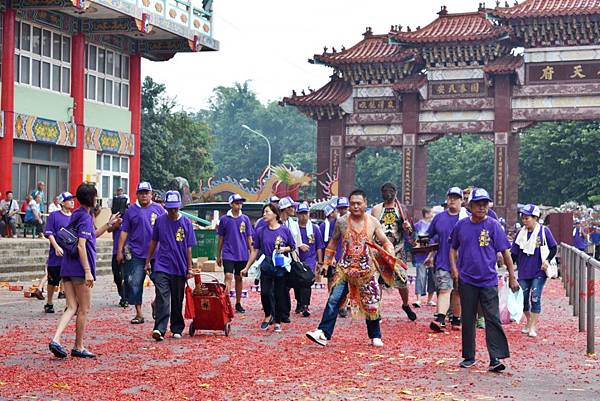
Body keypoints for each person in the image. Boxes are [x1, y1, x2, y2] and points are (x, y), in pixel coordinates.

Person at [306, 190, 399, 347]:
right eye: (353, 203)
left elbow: (384, 240)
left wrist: (390, 253)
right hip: (344, 270)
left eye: (359, 203)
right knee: (334, 300)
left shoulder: (373, 222)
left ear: (365, 204)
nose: (355, 206)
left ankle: (375, 336)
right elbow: (333, 243)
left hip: (366, 270)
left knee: (371, 303)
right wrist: (326, 263)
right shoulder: (341, 222)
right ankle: (323, 332)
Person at [449, 187, 519, 372]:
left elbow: (505, 252)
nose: (482, 207)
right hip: (467, 280)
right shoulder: (461, 225)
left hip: (488, 279)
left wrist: (512, 276)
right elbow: (453, 248)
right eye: (478, 204)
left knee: (492, 318)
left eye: (485, 204)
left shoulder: (494, 225)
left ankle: (495, 358)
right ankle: (469, 356)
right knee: (468, 318)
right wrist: (454, 270)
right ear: (470, 205)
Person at [48, 183, 120, 358]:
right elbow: (81, 246)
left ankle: (56, 339)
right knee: (84, 308)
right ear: (92, 199)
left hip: (67, 267)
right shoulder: (86, 218)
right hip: (80, 269)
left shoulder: (76, 215)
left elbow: (90, 236)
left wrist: (108, 225)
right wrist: (88, 271)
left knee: (72, 306)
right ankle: (78, 346)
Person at [146, 191, 196, 341]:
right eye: (170, 208)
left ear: (179, 207)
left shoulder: (186, 223)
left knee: (177, 299)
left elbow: (189, 248)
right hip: (162, 265)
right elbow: (154, 242)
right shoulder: (160, 221)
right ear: (166, 207)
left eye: (175, 208)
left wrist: (189, 268)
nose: (173, 211)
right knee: (163, 297)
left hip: (179, 267)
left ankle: (177, 327)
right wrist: (148, 261)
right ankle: (159, 329)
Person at [241, 204, 295, 333]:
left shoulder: (284, 230)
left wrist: (283, 249)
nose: (264, 215)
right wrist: (246, 267)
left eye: (267, 212)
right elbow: (255, 250)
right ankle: (267, 314)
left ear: (275, 214)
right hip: (266, 265)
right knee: (265, 292)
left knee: (278, 294)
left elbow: (292, 246)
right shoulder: (260, 231)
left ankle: (277, 321)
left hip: (280, 266)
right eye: (264, 212)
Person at [117, 182, 165, 324]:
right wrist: (119, 251)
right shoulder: (131, 211)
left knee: (161, 283)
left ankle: (157, 303)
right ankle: (139, 313)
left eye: (146, 193)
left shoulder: (159, 209)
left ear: (151, 194)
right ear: (137, 194)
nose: (144, 195)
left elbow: (166, 228)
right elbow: (124, 231)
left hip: (157, 253)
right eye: (141, 193)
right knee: (135, 283)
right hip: (137, 253)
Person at [370, 182, 417, 321]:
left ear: (396, 192)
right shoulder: (376, 209)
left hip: (398, 249)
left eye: (391, 190)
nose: (388, 193)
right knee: (378, 279)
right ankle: (377, 309)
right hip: (380, 249)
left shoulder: (402, 209)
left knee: (401, 279)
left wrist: (407, 227)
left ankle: (406, 304)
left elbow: (411, 232)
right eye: (385, 190)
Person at [511, 204, 557, 338]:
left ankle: (532, 326)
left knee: (535, 297)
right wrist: (510, 270)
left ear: (535, 218)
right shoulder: (520, 234)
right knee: (523, 299)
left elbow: (553, 247)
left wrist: (547, 260)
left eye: (527, 218)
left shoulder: (544, 231)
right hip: (524, 271)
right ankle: (529, 320)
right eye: (523, 218)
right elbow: (513, 253)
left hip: (539, 271)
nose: (525, 220)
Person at [426, 187, 463, 332]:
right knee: (444, 289)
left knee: (458, 291)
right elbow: (430, 237)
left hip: (463, 263)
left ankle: (456, 318)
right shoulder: (439, 218)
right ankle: (440, 318)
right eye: (450, 197)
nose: (452, 200)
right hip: (443, 260)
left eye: (456, 197)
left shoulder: (467, 217)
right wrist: (429, 254)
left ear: (461, 200)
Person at [217, 193, 253, 314]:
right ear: (231, 204)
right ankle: (225, 302)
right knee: (228, 276)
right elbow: (220, 238)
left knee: (239, 278)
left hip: (242, 253)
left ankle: (238, 303)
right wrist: (218, 255)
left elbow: (249, 237)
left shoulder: (245, 219)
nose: (239, 205)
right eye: (236, 203)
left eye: (240, 203)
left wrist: (251, 251)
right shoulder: (224, 219)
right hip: (228, 253)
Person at [43, 192, 75, 313]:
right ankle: (49, 302)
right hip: (56, 255)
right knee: (53, 280)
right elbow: (49, 233)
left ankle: (69, 305)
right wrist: (56, 247)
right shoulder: (54, 216)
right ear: (62, 203)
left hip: (70, 254)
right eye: (69, 199)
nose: (72, 201)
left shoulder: (74, 217)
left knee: (69, 280)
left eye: (72, 199)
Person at [295, 202, 324, 317]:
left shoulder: (315, 228)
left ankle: (305, 305)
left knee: (307, 281)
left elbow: (319, 246)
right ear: (297, 215)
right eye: (301, 214)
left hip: (310, 260)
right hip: (297, 258)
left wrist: (320, 262)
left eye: (305, 213)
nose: (303, 216)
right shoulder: (293, 228)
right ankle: (299, 302)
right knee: (297, 282)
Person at [413, 206, 436, 307]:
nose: (433, 215)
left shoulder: (433, 226)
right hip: (420, 255)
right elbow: (413, 238)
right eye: (431, 213)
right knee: (420, 277)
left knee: (432, 277)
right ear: (426, 214)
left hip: (432, 254)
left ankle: (430, 299)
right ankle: (418, 299)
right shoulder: (417, 225)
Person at [319, 204, 342, 291]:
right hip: (330, 255)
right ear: (331, 214)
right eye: (335, 211)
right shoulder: (324, 226)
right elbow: (323, 243)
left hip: (339, 253)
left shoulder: (340, 222)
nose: (337, 212)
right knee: (330, 277)